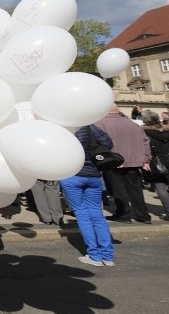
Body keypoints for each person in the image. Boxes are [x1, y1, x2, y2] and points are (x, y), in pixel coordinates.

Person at [62, 125, 116, 267]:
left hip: (71, 174)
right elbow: (108, 143)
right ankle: (107, 256)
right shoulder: (90, 126)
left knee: (82, 214)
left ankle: (94, 255)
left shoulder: (61, 127)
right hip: (93, 174)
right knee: (97, 214)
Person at [96, 105, 152, 224]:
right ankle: (143, 215)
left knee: (119, 189)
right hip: (134, 161)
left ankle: (124, 214)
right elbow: (146, 142)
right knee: (136, 189)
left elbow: (98, 143)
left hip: (114, 161)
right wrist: (145, 159)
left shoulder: (100, 123)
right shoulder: (133, 124)